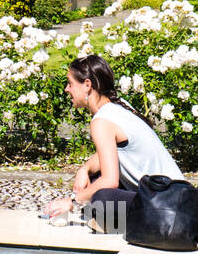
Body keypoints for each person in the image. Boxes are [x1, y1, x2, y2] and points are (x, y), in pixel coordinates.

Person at [42, 54, 185, 231]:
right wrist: (84, 169)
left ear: (87, 85)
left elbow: (110, 181)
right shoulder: (118, 107)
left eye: (70, 83)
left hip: (170, 205)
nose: (66, 89)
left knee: (102, 197)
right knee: (93, 180)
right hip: (176, 197)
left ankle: (116, 223)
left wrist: (72, 201)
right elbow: (108, 153)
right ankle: (108, 220)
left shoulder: (102, 122)